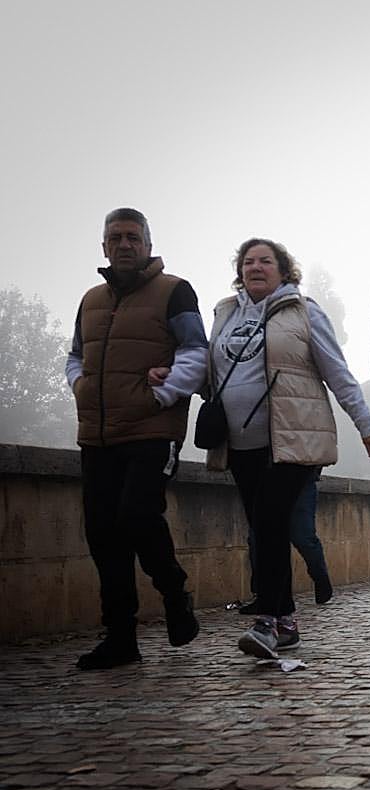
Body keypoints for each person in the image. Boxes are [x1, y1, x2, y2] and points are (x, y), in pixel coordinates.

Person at [206, 238, 370, 658]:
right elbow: (208, 370)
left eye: (265, 261)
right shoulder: (225, 313)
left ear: (284, 271)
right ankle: (285, 621)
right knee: (263, 528)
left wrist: (368, 427)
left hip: (292, 440)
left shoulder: (303, 312)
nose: (255, 267)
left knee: (270, 519)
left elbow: (337, 372)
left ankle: (268, 620)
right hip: (240, 443)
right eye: (248, 262)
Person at [66, 208, 206, 670]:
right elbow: (74, 357)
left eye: (132, 237)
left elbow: (195, 351)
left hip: (152, 429)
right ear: (104, 246)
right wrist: (80, 386)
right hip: (98, 434)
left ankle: (173, 592)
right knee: (103, 534)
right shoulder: (90, 300)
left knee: (137, 515)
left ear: (147, 243)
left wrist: (162, 394)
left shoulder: (174, 291)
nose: (124, 244)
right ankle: (121, 637)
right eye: (115, 237)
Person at [234, 468, 333, 614]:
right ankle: (262, 595)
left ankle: (320, 577)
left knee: (303, 537)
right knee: (258, 540)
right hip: (263, 472)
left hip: (300, 473)